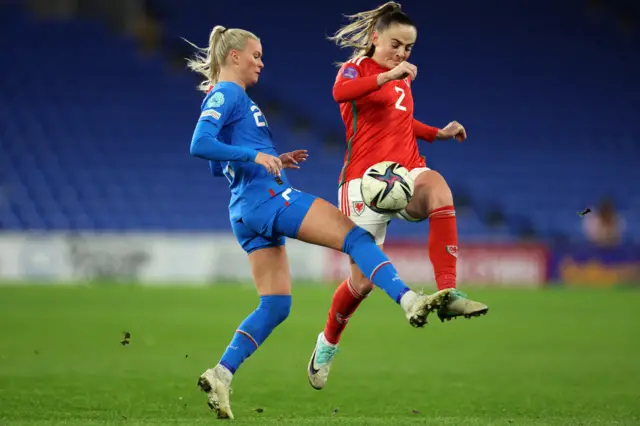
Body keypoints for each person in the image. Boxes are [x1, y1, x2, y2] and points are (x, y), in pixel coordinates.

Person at [185, 24, 455, 419]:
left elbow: (215, 166)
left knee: (275, 305)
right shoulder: (228, 93)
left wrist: (271, 156)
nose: (261, 62)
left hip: (243, 210)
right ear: (234, 57)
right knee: (357, 239)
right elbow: (199, 145)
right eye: (256, 55)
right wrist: (255, 156)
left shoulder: (227, 98)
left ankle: (222, 373)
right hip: (269, 198)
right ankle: (409, 299)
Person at [307, 2, 489, 391]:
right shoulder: (358, 68)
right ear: (376, 38)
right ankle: (328, 342)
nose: (402, 53)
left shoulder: (402, 79)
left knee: (439, 189)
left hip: (405, 171)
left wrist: (435, 132)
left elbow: (401, 120)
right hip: (362, 181)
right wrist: (388, 74)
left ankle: (448, 291)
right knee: (362, 284)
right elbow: (341, 92)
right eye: (396, 44)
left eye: (408, 48)